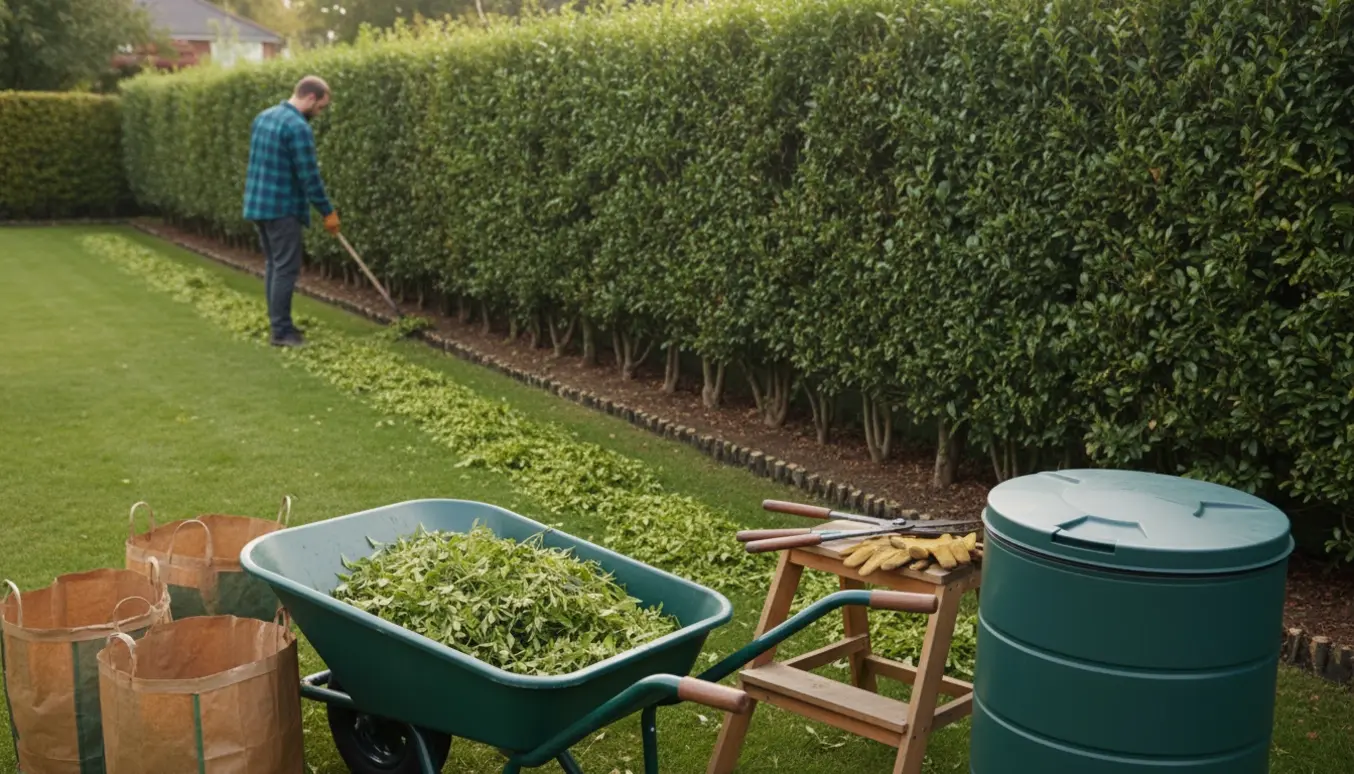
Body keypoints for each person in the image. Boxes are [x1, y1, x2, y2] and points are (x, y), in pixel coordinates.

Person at [243, 75, 340, 347]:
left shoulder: (263, 117)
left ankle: (279, 324)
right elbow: (309, 177)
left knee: (275, 265)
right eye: (320, 107)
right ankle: (282, 332)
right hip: (281, 208)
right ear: (310, 97)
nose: (319, 114)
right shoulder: (298, 128)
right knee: (286, 268)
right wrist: (327, 212)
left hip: (257, 205)